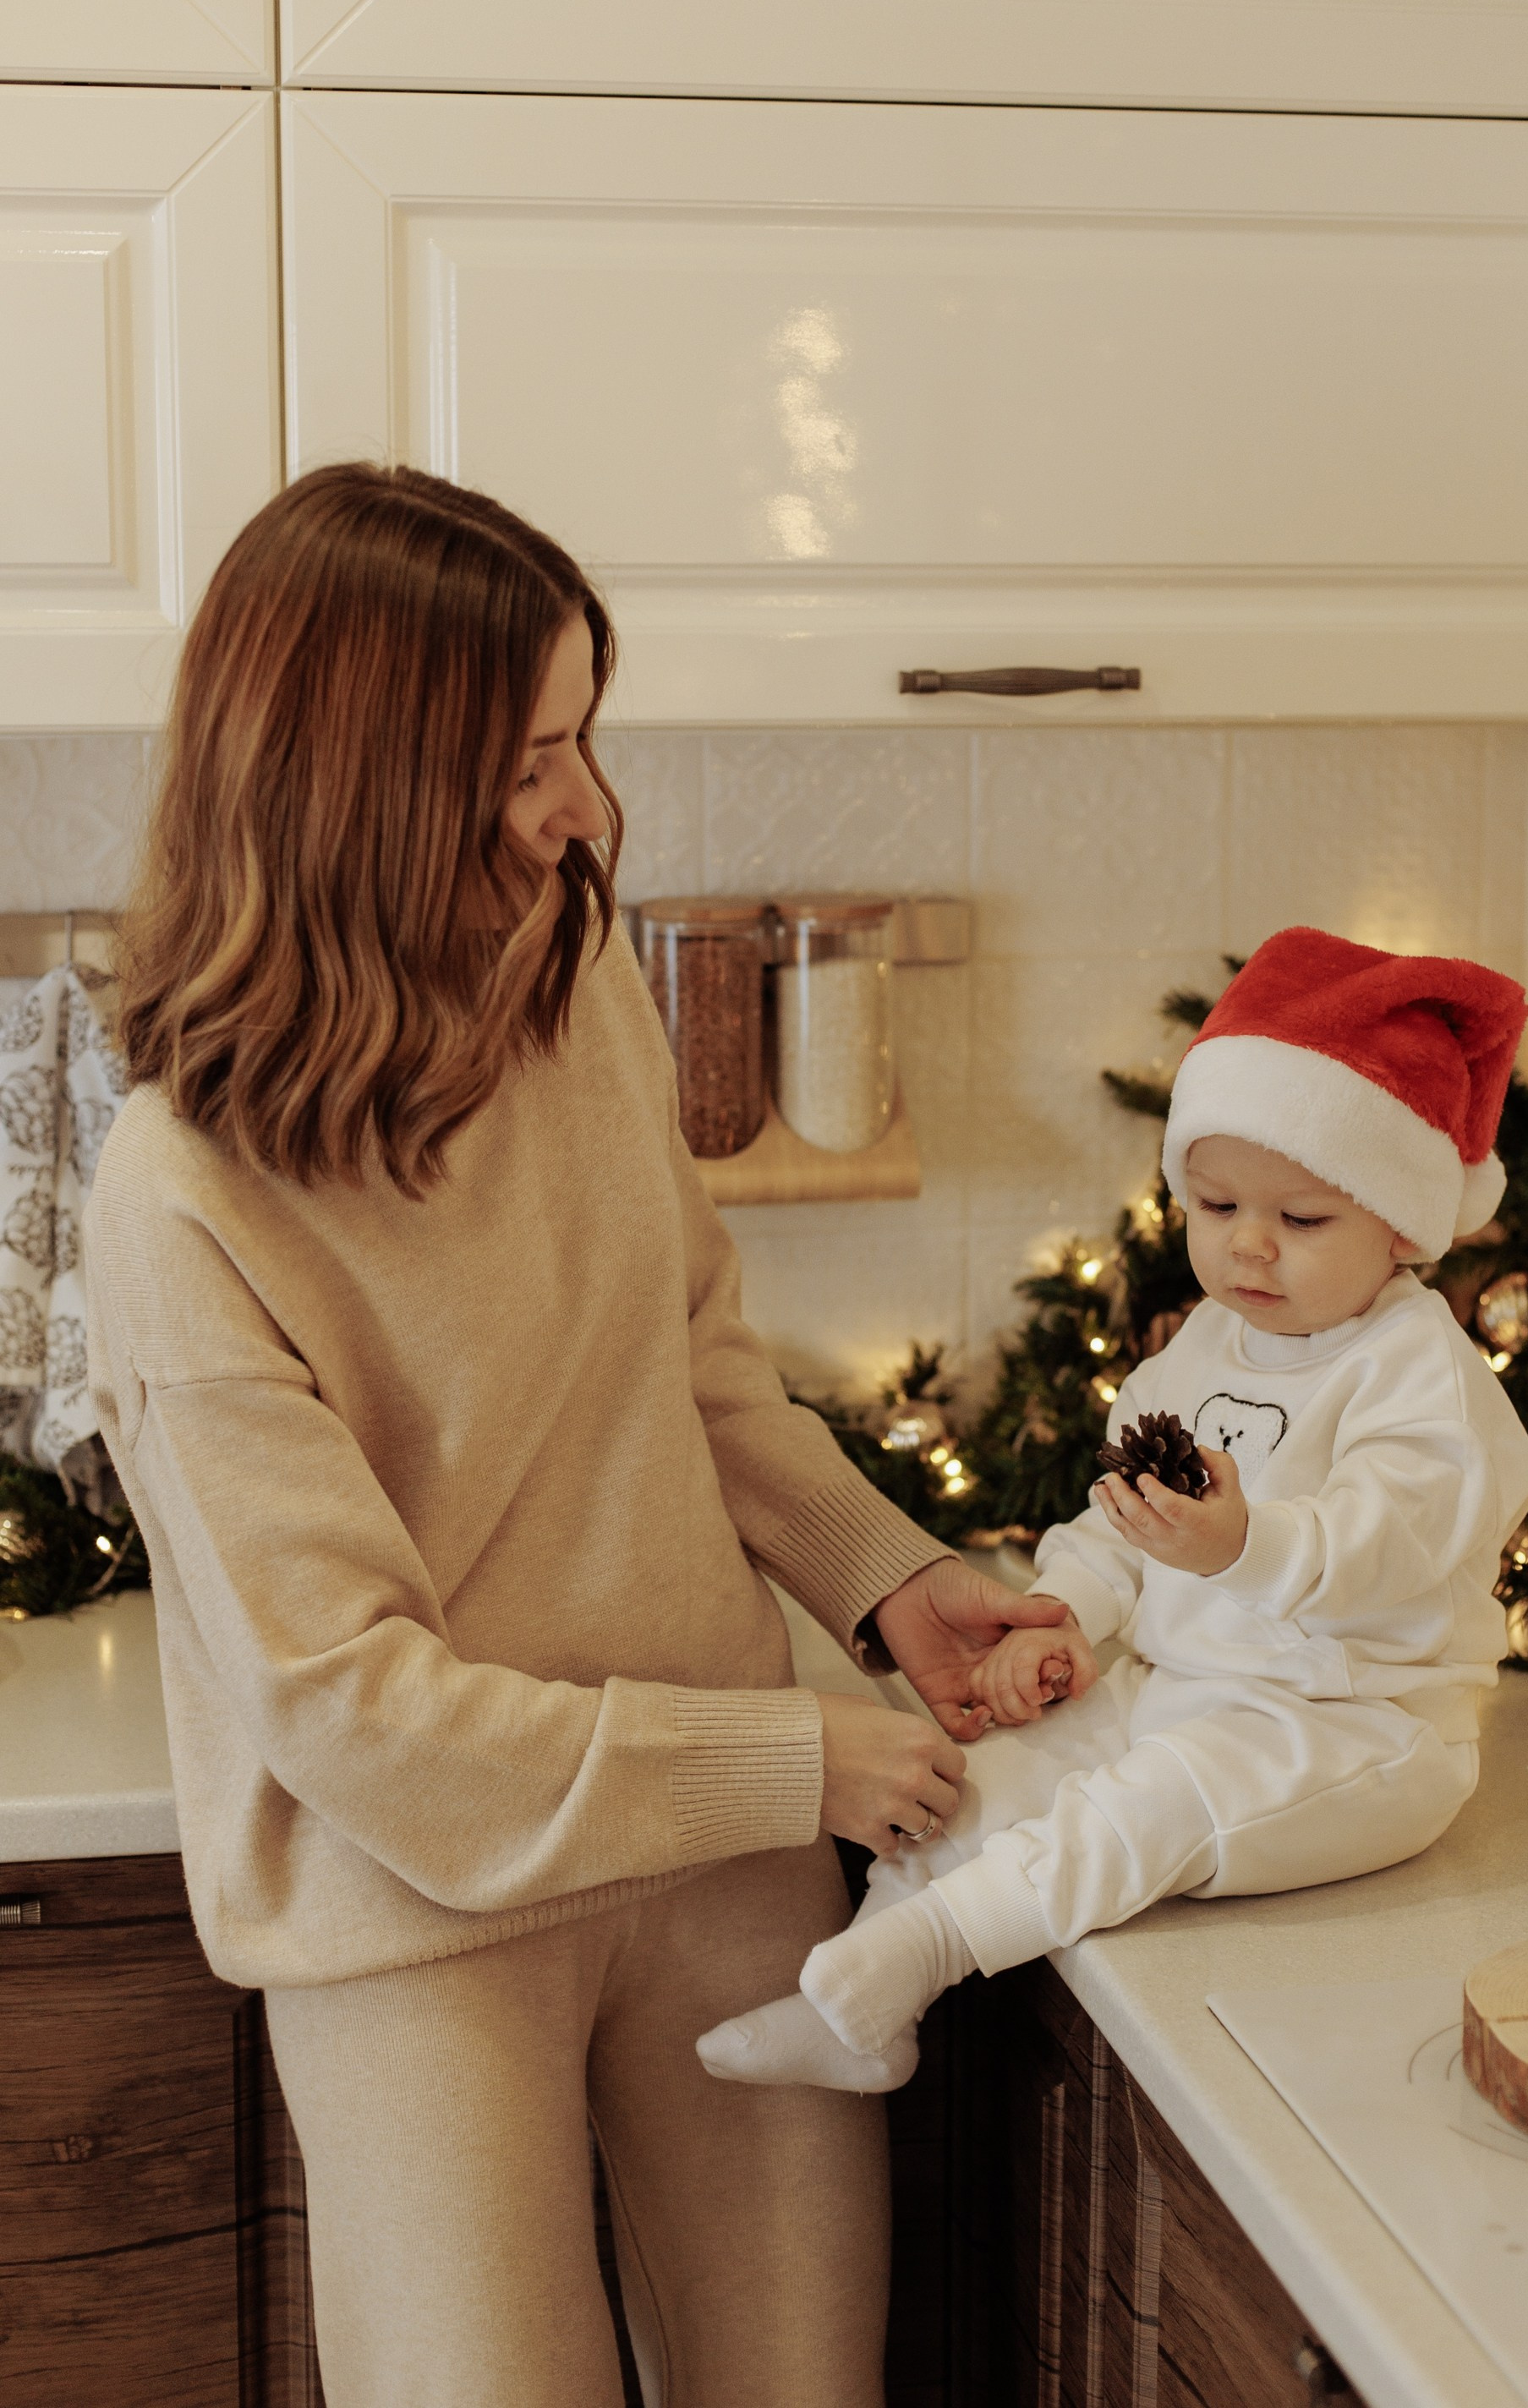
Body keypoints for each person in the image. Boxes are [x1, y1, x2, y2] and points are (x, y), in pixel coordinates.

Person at [80, 462, 1071, 2408]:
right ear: (363, 778)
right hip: (415, 1916)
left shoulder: (572, 990)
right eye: (534, 756)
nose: (590, 809)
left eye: (582, 737)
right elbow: (352, 1709)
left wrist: (895, 1583)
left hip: (720, 1855)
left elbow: (687, 1370)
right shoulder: (179, 1191)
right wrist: (787, 1759)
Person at [699, 928, 1528, 2093]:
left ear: (1401, 1223)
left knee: (1145, 1811)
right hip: (1182, 1690)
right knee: (988, 1773)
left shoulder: (1420, 1369)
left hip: (1353, 1727)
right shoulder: (1206, 1345)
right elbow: (1118, 1522)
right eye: (1214, 1203)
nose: (1250, 1243)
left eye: (1302, 1221)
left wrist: (1253, 1543)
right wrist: (1063, 1612)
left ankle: (916, 1959)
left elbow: (1404, 1537)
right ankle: (857, 1994)